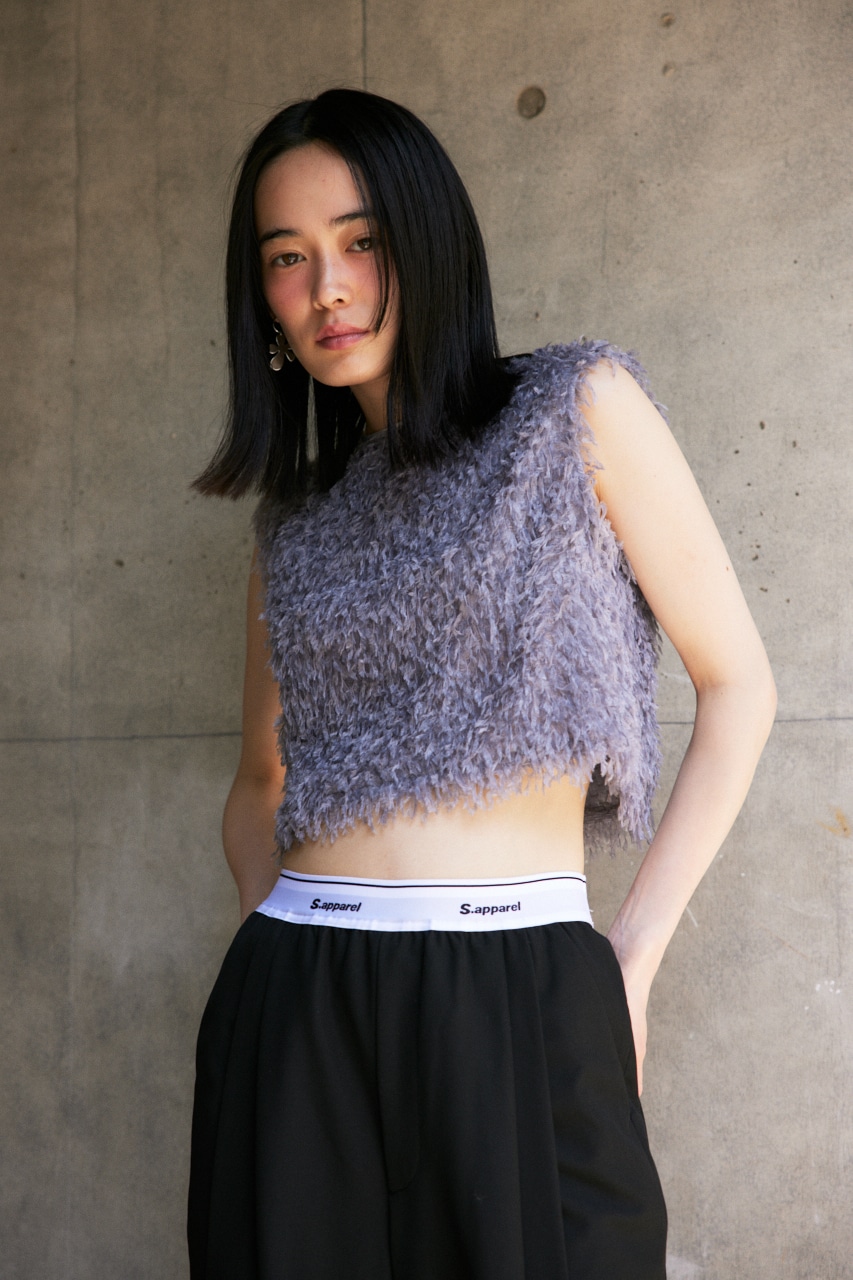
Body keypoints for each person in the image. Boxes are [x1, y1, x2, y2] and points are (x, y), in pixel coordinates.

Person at [187, 88, 776, 1280]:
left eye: (360, 240)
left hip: (520, 981)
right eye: (287, 259)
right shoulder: (296, 520)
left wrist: (629, 957)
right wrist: (271, 950)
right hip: (302, 1003)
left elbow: (738, 686)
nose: (328, 288)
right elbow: (260, 779)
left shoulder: (573, 408)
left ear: (428, 238)